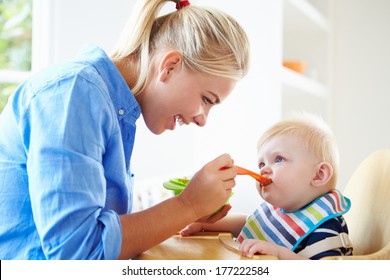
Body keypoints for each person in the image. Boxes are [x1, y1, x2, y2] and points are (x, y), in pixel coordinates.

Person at [0, 0, 250, 259]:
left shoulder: (109, 106)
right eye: (207, 99)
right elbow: (77, 256)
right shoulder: (73, 93)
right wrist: (187, 205)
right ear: (170, 66)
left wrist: (185, 212)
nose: (202, 120)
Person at [181, 113, 353, 259]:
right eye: (261, 164)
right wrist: (205, 224)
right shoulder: (280, 210)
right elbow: (250, 223)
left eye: (279, 159)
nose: (264, 170)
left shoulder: (324, 226)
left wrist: (278, 254)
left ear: (319, 174)